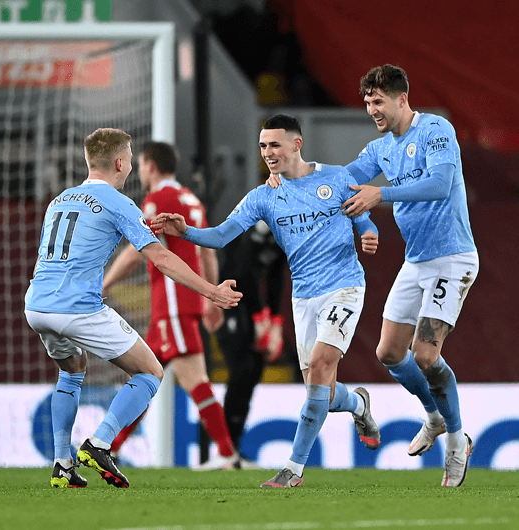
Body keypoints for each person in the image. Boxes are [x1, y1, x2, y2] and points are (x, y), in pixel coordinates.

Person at [152, 115, 381, 488]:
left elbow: (363, 217)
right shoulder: (263, 195)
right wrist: (186, 231)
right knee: (317, 391)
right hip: (303, 296)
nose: (268, 153)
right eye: (263, 146)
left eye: (274, 144)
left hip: (344, 287)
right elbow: (223, 235)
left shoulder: (336, 178)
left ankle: (293, 468)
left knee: (324, 362)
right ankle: (357, 403)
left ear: (296, 144)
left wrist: (369, 233)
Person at [23, 128, 242, 489]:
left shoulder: (59, 200)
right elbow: (160, 258)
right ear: (121, 163)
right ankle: (100, 442)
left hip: (37, 305)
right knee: (150, 372)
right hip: (78, 307)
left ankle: (62, 463)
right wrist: (211, 292)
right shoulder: (120, 202)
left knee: (72, 368)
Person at [341, 64, 478, 487]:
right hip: (416, 261)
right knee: (388, 353)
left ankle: (457, 441)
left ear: (402, 98)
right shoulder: (382, 148)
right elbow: (344, 180)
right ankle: (435, 416)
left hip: (452, 257)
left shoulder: (436, 130)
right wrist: (293, 176)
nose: (371, 109)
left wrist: (382, 194)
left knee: (425, 356)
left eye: (378, 101)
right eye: (367, 102)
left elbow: (439, 184)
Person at [101, 141, 239, 470]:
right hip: (181, 304)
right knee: (145, 376)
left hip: (174, 302)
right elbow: (207, 251)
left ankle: (226, 453)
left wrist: (104, 283)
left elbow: (138, 251)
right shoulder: (191, 199)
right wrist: (210, 297)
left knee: (191, 378)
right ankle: (111, 446)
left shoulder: (158, 200)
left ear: (150, 166)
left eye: (141, 165)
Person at [216, 221, 287, 459]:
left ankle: (233, 447)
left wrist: (275, 321)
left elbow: (277, 277)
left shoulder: (284, 232)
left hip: (255, 309)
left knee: (252, 371)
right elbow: (242, 270)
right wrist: (259, 315)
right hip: (231, 304)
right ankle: (222, 448)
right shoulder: (250, 224)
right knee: (240, 370)